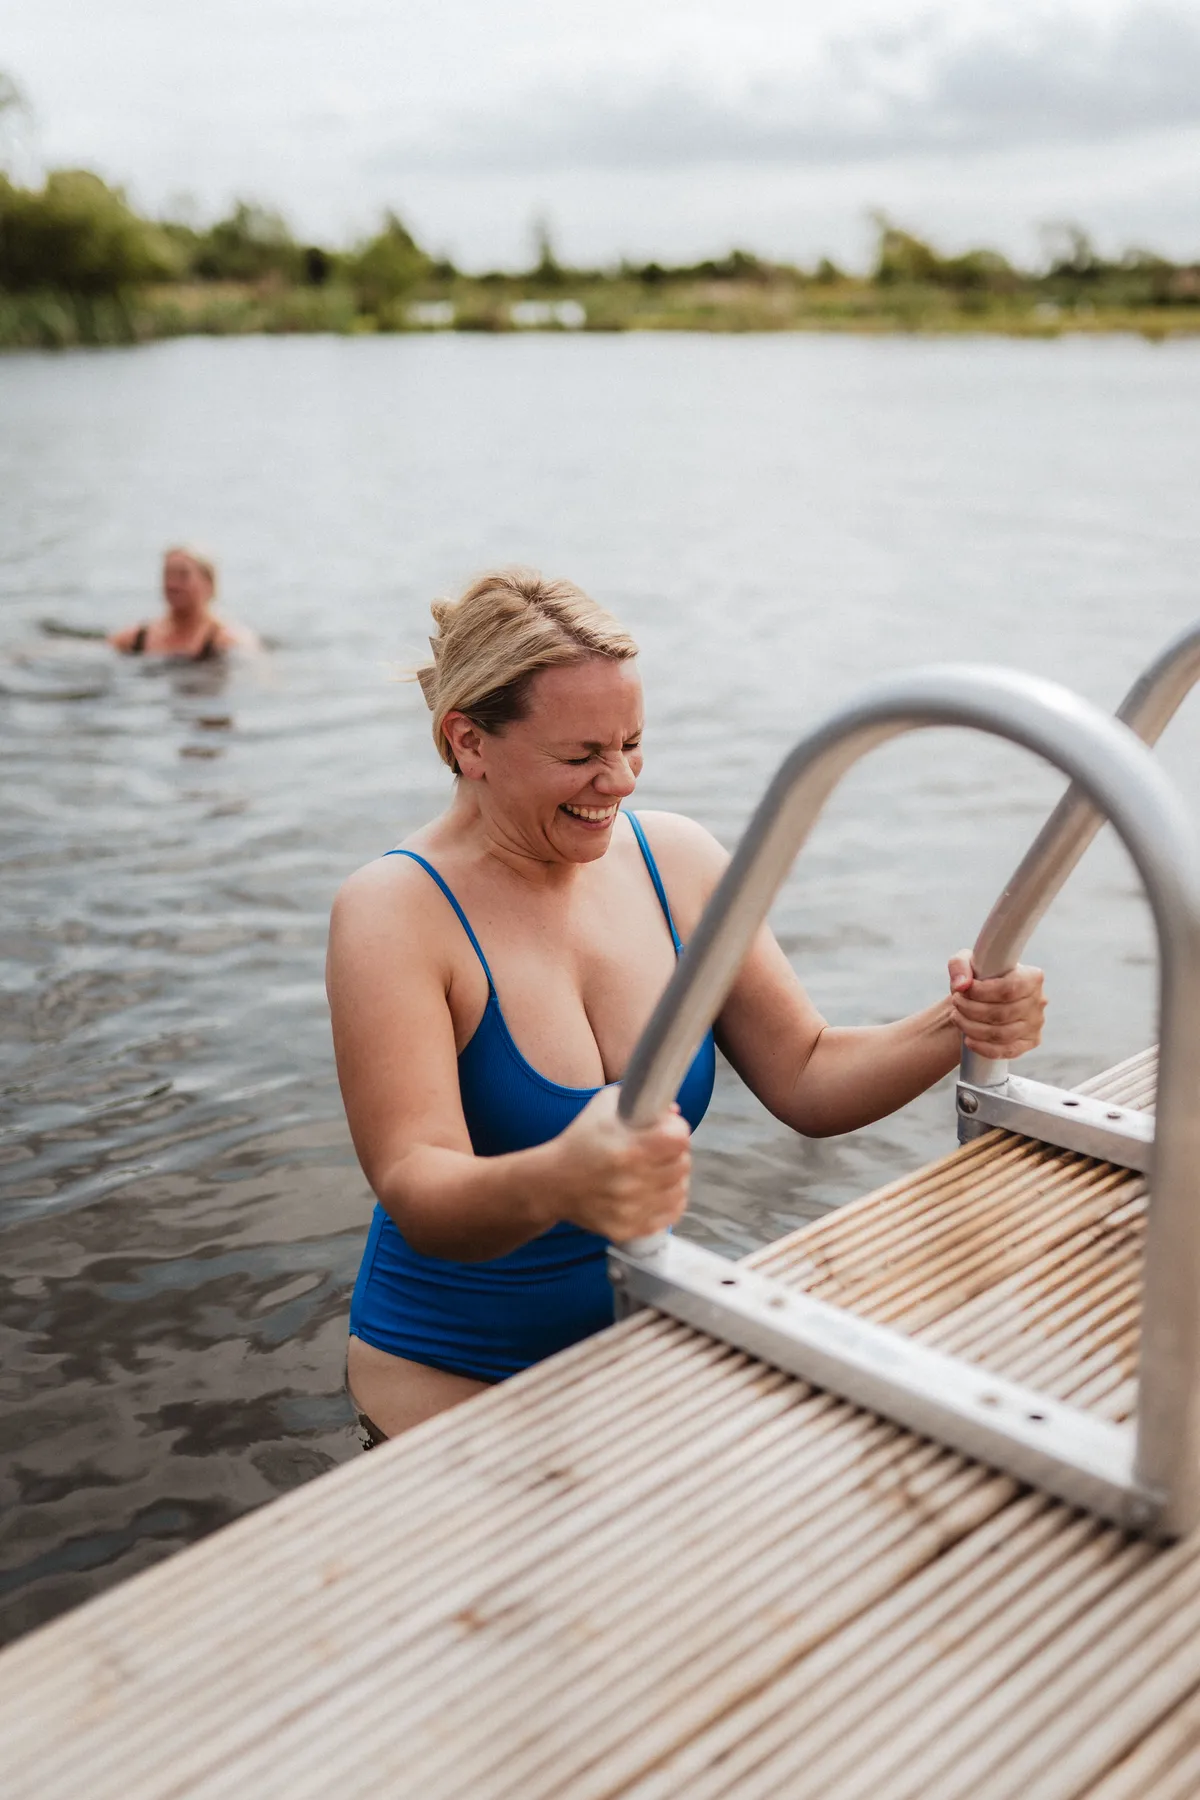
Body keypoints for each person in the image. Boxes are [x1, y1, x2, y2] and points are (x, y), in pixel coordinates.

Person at [327, 570, 1046, 1443]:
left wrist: (960, 1020)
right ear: (468, 741)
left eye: (632, 743)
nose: (619, 779)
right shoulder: (392, 911)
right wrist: (562, 1175)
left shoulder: (678, 861)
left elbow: (808, 1075)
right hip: (442, 1368)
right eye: (581, 755)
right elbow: (416, 1187)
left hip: (631, 1339)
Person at [108, 547, 259, 660]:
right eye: (168, 575)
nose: (173, 584)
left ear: (209, 583)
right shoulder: (134, 638)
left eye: (183, 575)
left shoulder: (230, 641)